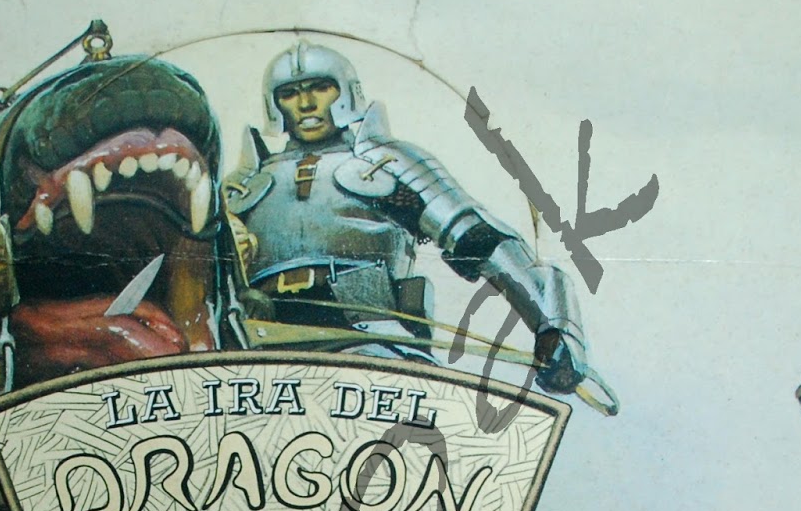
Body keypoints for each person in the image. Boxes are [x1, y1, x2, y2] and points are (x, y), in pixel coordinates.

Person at [223, 40, 588, 392]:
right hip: (258, 341)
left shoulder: (388, 163)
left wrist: (553, 325)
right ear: (274, 103)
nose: (305, 104)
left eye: (320, 88)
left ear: (345, 92)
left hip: (372, 336)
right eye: (290, 93)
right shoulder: (242, 186)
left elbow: (479, 238)